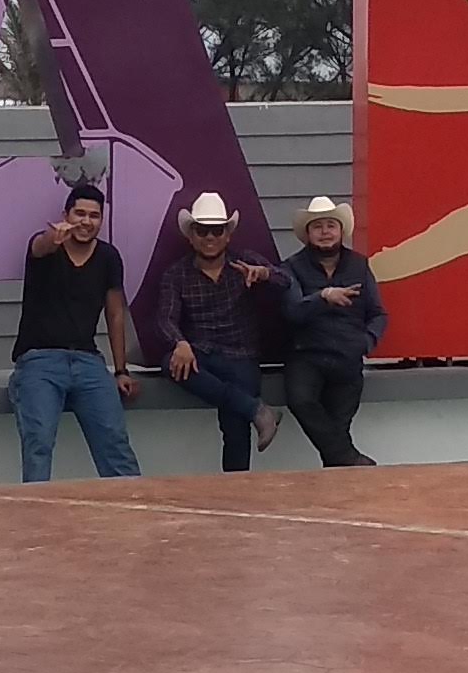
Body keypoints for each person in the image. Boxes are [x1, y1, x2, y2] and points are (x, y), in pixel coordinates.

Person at [7, 180, 142, 482]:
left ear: (101, 220)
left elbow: (115, 312)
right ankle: (37, 513)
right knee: (39, 442)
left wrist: (121, 370)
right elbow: (39, 247)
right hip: (39, 361)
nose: (86, 221)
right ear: (66, 214)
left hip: (88, 361)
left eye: (94, 215)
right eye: (79, 213)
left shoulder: (109, 257)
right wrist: (51, 238)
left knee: (114, 441)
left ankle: (136, 512)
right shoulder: (46, 247)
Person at [153, 190, 276, 471]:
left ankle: (235, 494)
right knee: (169, 363)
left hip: (241, 355)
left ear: (227, 235)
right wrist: (179, 342)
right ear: (191, 235)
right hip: (202, 353)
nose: (210, 238)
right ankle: (256, 409)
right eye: (203, 231)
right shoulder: (177, 274)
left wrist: (264, 274)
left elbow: (287, 283)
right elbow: (165, 319)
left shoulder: (245, 261)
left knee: (234, 427)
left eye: (216, 231)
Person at [280, 194, 387, 467]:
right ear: (307, 234)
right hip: (307, 355)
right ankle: (351, 459)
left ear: (341, 231)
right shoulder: (291, 267)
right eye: (317, 226)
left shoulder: (359, 265)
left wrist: (366, 342)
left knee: (338, 430)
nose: (325, 232)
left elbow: (378, 314)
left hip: (348, 357)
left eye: (331, 225)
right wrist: (322, 297)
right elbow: (290, 312)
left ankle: (341, 476)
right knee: (301, 401)